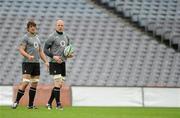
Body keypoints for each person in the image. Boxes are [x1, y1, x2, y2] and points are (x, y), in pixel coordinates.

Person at [12, 20, 49, 109]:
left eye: (34, 26)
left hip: (36, 64)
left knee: (34, 84)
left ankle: (30, 104)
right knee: (25, 83)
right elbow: (21, 49)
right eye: (31, 26)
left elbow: (40, 51)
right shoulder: (25, 37)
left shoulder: (37, 38)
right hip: (27, 63)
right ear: (28, 28)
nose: (33, 28)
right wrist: (28, 56)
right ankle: (16, 102)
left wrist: (46, 62)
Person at [44, 19, 73, 110]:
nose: (60, 27)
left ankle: (49, 103)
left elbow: (67, 50)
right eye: (59, 25)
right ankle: (58, 105)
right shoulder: (51, 36)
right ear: (56, 26)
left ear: (63, 26)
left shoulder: (67, 37)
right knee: (57, 83)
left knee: (59, 84)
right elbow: (45, 50)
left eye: (62, 25)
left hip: (63, 63)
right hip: (54, 63)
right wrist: (54, 57)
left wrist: (69, 55)